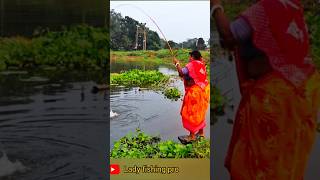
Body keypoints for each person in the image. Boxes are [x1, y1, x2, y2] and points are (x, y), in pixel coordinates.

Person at [211, 0, 320, 179]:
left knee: (256, 165)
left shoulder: (263, 11)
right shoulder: (292, 6)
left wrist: (215, 7)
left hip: (274, 100)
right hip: (303, 93)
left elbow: (228, 37)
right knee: (284, 162)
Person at [173, 50, 210, 144]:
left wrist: (177, 64)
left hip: (195, 92)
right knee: (200, 111)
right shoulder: (202, 64)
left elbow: (182, 73)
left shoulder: (191, 65)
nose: (189, 58)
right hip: (204, 90)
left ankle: (192, 136)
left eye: (190, 56)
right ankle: (201, 133)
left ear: (193, 57)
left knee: (191, 113)